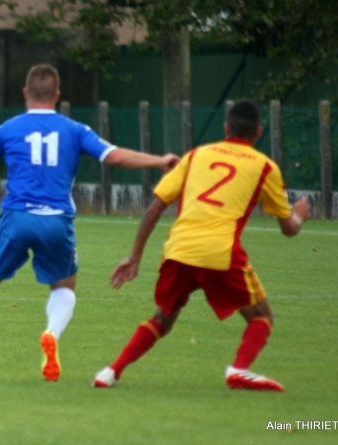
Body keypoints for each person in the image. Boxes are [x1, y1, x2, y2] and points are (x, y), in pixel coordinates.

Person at [0, 63, 179, 382]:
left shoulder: (8, 128)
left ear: (25, 93)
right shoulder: (74, 129)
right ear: (58, 96)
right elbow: (115, 156)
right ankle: (51, 332)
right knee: (64, 288)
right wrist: (159, 161)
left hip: (17, 218)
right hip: (57, 221)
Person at [92, 100, 311, 391]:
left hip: (178, 250)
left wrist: (134, 256)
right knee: (261, 316)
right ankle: (239, 369)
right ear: (258, 132)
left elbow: (155, 208)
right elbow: (288, 229)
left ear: (225, 128)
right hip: (220, 252)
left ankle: (111, 372)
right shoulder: (264, 167)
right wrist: (299, 215)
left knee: (162, 318)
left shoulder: (197, 155)